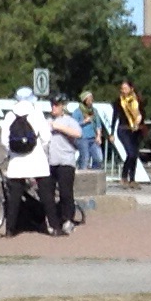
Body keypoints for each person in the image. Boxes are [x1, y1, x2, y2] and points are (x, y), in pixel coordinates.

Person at [0, 86, 54, 235]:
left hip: (16, 161)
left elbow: (4, 140)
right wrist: (39, 148)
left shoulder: (10, 115)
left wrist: (13, 150)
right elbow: (46, 137)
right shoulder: (37, 113)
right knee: (46, 195)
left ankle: (10, 229)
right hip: (37, 159)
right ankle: (54, 227)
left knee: (14, 198)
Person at [44, 98, 83, 232]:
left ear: (62, 107)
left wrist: (58, 127)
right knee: (48, 193)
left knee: (66, 192)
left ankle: (68, 219)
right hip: (50, 161)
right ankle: (53, 220)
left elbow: (78, 133)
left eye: (56, 105)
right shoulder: (47, 121)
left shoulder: (69, 121)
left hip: (66, 161)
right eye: (52, 105)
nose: (53, 108)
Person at [114, 80, 146, 185]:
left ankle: (132, 179)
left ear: (131, 89)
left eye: (126, 88)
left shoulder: (137, 100)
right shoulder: (119, 101)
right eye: (122, 88)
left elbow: (142, 114)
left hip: (136, 130)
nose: (123, 90)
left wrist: (140, 123)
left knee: (134, 155)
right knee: (130, 153)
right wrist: (111, 133)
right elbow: (115, 116)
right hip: (124, 129)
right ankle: (124, 176)